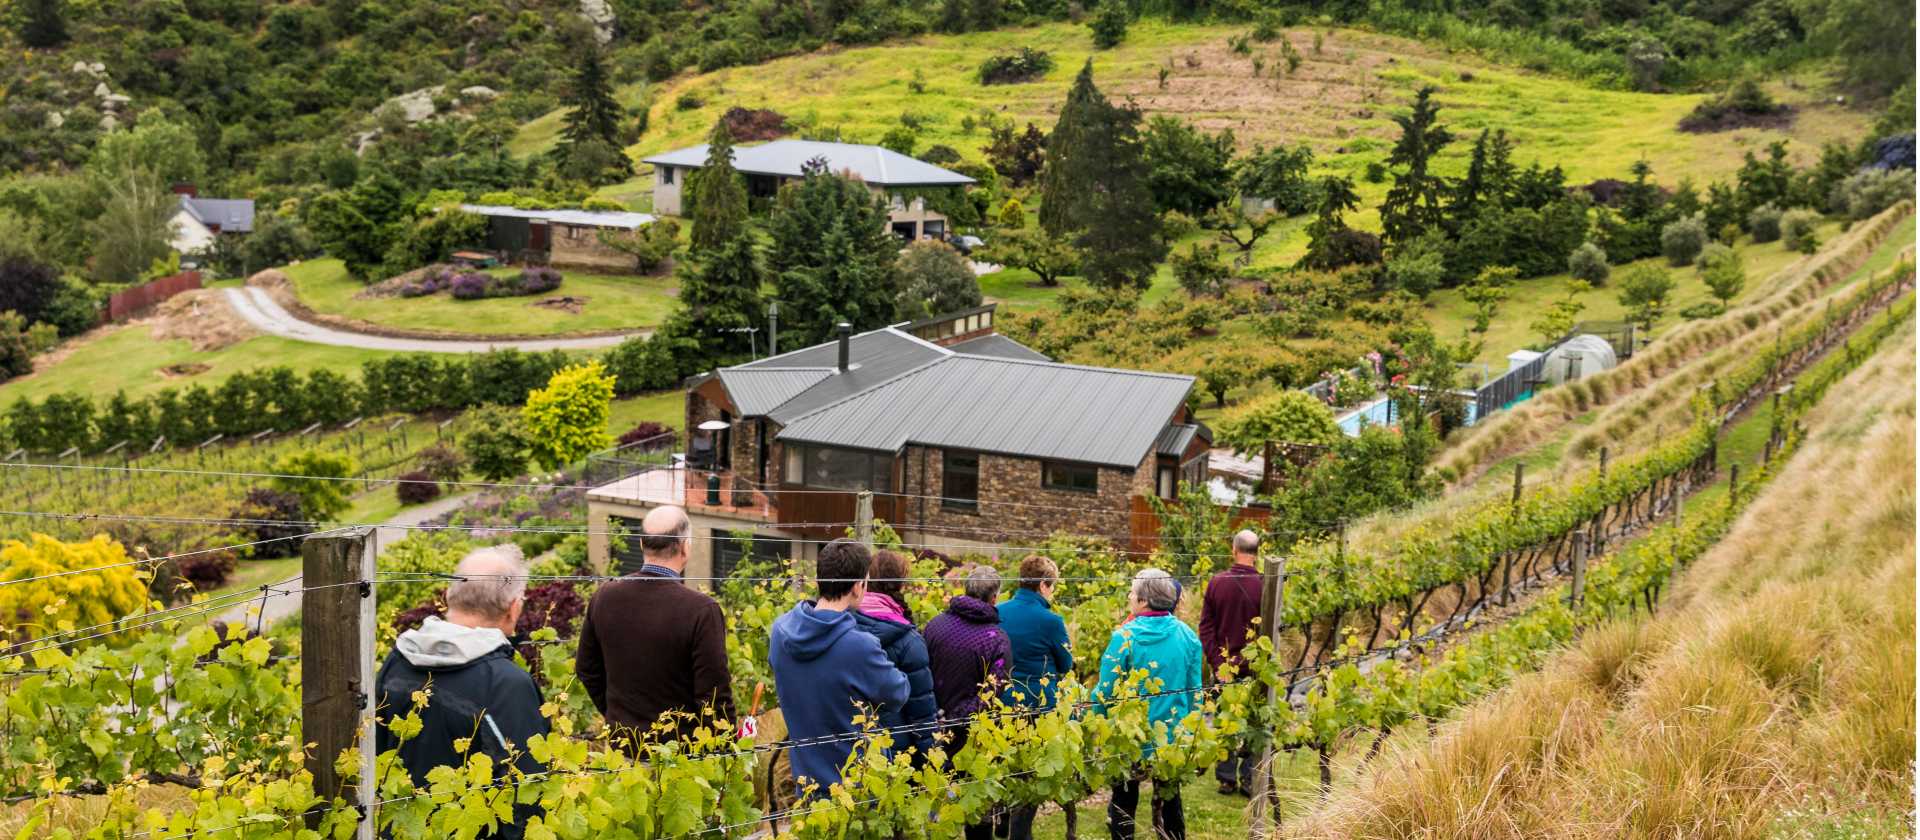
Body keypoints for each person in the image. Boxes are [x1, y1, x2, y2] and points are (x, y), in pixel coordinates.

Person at [375, 545, 549, 840]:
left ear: (448, 596)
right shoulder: (506, 683)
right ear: (513, 608)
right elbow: (527, 791)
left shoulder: (399, 659)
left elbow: (378, 751)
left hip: (405, 829)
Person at [575, 505, 735, 746]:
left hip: (622, 752)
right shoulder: (701, 610)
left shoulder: (604, 597)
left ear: (641, 544)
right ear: (685, 547)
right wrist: (726, 751)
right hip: (679, 760)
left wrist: (617, 717)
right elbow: (713, 697)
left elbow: (587, 669)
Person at [769, 538, 911, 794]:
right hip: (855, 786)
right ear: (858, 587)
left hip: (807, 783)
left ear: (819, 580)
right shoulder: (859, 646)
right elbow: (898, 693)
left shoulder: (780, 631)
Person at [1094, 569, 1203, 840]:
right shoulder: (1188, 636)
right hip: (1172, 737)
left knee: (1123, 801)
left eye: (1132, 592)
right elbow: (1194, 692)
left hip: (1129, 737)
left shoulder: (1123, 638)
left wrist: (1092, 726)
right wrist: (1190, 734)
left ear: (1144, 601)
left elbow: (1105, 692)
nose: (1129, 596)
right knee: (1170, 800)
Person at [923, 565, 1013, 840]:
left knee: (935, 807)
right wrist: (960, 717)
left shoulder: (935, 625)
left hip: (934, 728)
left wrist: (941, 716)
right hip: (974, 735)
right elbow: (994, 692)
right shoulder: (996, 639)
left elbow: (921, 673)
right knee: (976, 809)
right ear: (994, 598)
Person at [995, 555, 1074, 840]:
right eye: (1052, 587)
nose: (1052, 593)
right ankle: (1020, 832)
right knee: (1030, 770)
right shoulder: (1051, 621)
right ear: (1043, 585)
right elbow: (1066, 664)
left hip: (1002, 699)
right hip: (1037, 704)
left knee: (1005, 761)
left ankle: (1001, 815)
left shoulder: (998, 611)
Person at [852, 549, 939, 762]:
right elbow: (921, 711)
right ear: (901, 584)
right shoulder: (909, 639)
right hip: (895, 752)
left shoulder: (842, 623)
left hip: (847, 745)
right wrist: (933, 761)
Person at [1197, 529, 1264, 795]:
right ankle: (1249, 777)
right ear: (1257, 553)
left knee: (1226, 719)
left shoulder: (1217, 582)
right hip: (1255, 666)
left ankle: (1226, 778)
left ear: (1234, 550)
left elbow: (1206, 628)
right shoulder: (1266, 584)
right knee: (1253, 721)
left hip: (1224, 666)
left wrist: (1217, 664)